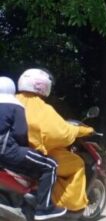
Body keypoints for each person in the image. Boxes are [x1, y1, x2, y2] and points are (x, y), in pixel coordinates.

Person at [15, 69, 94, 212]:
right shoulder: (41, 107)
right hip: (34, 153)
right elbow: (60, 133)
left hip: (12, 151)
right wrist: (84, 130)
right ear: (44, 86)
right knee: (76, 164)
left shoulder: (12, 100)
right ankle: (68, 204)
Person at [0, 76, 66, 221]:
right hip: (7, 152)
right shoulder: (15, 105)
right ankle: (45, 209)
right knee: (51, 165)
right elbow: (20, 132)